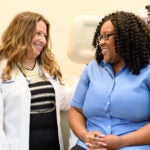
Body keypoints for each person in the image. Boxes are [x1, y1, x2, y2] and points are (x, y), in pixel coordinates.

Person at [68, 11, 150, 150]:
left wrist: (121, 142)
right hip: (88, 146)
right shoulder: (92, 69)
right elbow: (76, 110)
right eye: (100, 37)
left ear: (126, 37)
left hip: (132, 146)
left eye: (107, 36)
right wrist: (85, 135)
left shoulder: (147, 71)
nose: (101, 42)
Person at [0, 11, 74, 150]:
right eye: (38, 33)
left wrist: (89, 79)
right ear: (21, 33)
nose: (43, 40)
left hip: (52, 144)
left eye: (45, 36)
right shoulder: (3, 69)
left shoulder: (47, 68)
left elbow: (65, 101)